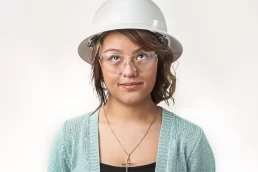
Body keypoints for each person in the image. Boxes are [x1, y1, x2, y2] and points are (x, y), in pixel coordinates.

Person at [48, 0, 216, 171]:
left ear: (160, 61)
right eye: (114, 57)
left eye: (141, 56)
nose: (129, 71)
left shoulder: (190, 141)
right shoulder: (69, 138)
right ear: (98, 64)